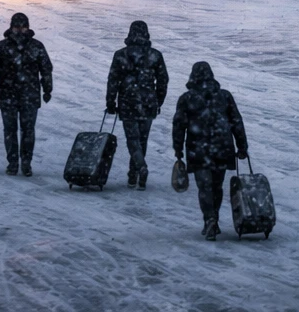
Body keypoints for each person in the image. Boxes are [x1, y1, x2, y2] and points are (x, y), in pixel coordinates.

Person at [172, 62, 247, 240]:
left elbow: (179, 125)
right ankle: (214, 218)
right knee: (217, 185)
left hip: (198, 148)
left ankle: (210, 219)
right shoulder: (224, 96)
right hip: (222, 146)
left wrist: (177, 148)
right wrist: (242, 145)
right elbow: (236, 121)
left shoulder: (186, 99)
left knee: (204, 186)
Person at [0, 12, 53, 177]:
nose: (20, 31)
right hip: (8, 95)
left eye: (23, 27)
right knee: (10, 130)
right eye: (17, 27)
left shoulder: (37, 46)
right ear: (11, 27)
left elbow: (46, 69)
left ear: (28, 27)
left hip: (29, 95)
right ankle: (13, 162)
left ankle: (26, 162)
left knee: (28, 130)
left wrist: (48, 88)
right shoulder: (1, 47)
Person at [105, 20, 169, 190]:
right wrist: (158, 100)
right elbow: (163, 80)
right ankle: (135, 175)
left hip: (128, 102)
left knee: (133, 139)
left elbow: (113, 80)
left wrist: (110, 102)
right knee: (142, 139)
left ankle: (139, 168)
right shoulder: (155, 55)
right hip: (148, 103)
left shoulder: (120, 55)